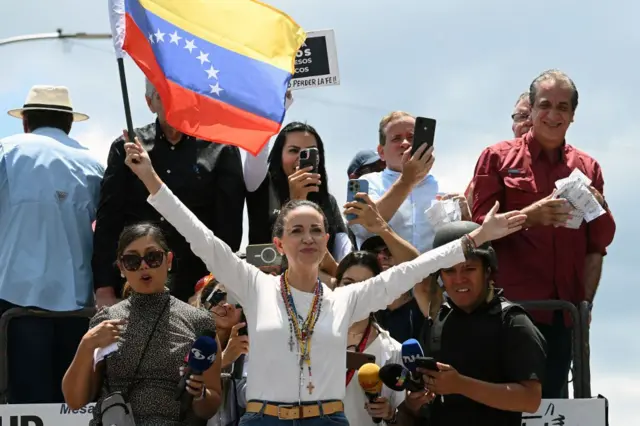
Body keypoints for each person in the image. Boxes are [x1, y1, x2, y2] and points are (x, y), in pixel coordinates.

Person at [121, 135, 525, 425]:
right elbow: (200, 238)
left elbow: (411, 271)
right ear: (278, 243)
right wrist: (151, 180)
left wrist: (475, 239)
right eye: (296, 231)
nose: (309, 238)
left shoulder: (345, 299)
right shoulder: (254, 286)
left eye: (316, 229)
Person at [469, 69, 616, 398]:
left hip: (562, 317)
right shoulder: (497, 157)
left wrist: (584, 308)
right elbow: (479, 230)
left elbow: (599, 242)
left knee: (552, 410)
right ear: (531, 110)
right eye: (545, 105)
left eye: (563, 107)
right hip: (505, 314)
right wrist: (528, 217)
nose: (553, 115)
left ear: (573, 115)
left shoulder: (588, 167)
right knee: (501, 410)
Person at [92, 79, 245, 306]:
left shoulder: (222, 149)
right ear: (149, 102)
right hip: (137, 286)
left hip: (198, 288)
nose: (175, 102)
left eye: (182, 93)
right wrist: (104, 289)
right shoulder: (127, 147)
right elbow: (108, 222)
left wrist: (214, 286)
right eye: (164, 94)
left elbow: (228, 228)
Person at [0, 85, 104, 403]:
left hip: (14, 303)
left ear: (25, 121)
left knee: (22, 404)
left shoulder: (6, 151)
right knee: (73, 407)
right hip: (79, 308)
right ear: (69, 123)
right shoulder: (94, 165)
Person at [62, 223, 222, 425]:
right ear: (121, 268)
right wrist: (87, 344)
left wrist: (200, 394)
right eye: (132, 260)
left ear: (169, 260)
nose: (144, 266)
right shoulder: (106, 322)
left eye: (153, 257)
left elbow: (210, 407)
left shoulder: (199, 322)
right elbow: (75, 401)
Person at [403, 221, 546, 426]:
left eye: (469, 268)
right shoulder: (436, 322)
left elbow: (531, 399)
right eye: (449, 271)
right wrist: (414, 402)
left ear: (487, 271)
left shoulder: (513, 322)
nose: (459, 279)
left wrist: (460, 385)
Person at [246, 121, 350, 280]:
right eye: (294, 150)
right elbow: (279, 253)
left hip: (320, 291)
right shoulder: (262, 188)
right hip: (270, 288)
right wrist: (295, 203)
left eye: (310, 152)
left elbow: (342, 268)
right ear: (279, 154)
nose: (300, 159)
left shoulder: (328, 202)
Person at [349, 111, 438, 254]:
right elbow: (361, 228)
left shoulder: (444, 187)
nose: (405, 143)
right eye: (396, 138)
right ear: (381, 152)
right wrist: (406, 181)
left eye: (411, 137)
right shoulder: (364, 183)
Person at [335, 251, 405, 426]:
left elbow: (406, 416)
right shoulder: (311, 341)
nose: (355, 291)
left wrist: (390, 413)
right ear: (335, 286)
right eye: (348, 283)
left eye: (366, 285)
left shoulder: (394, 351)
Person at [195, 277, 250, 426]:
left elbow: (246, 395)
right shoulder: (189, 336)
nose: (227, 305)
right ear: (206, 303)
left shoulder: (246, 347)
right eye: (219, 296)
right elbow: (184, 385)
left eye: (236, 301)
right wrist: (224, 360)